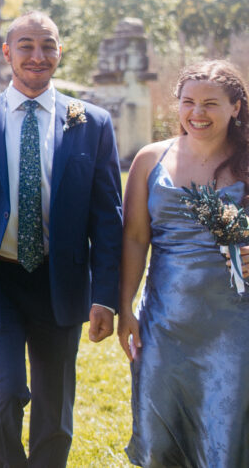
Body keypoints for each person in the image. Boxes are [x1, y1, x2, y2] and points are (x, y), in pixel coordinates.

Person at [0, 12, 123, 468]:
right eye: (26, 45)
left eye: (48, 45)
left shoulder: (92, 122)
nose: (37, 55)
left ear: (59, 52)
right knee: (2, 391)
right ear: (7, 52)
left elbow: (107, 218)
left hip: (61, 280)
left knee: (54, 402)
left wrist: (106, 297)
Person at [118, 60, 249, 468]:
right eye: (188, 102)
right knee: (160, 443)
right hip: (164, 324)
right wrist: (125, 308)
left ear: (236, 108)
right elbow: (136, 239)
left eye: (211, 103)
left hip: (234, 326)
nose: (197, 113)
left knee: (224, 437)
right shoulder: (149, 160)